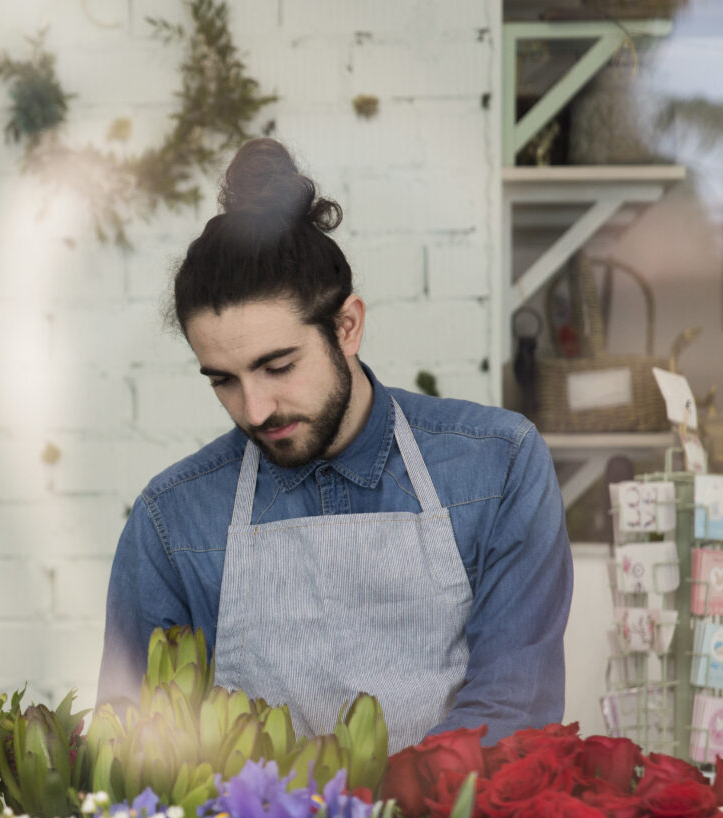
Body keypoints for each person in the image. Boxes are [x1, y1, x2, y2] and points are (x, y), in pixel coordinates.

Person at [97, 138, 572, 752]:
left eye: (278, 365)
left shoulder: (498, 465)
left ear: (346, 326)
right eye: (223, 380)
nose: (256, 409)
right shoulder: (172, 519)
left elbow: (515, 705)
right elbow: (136, 744)